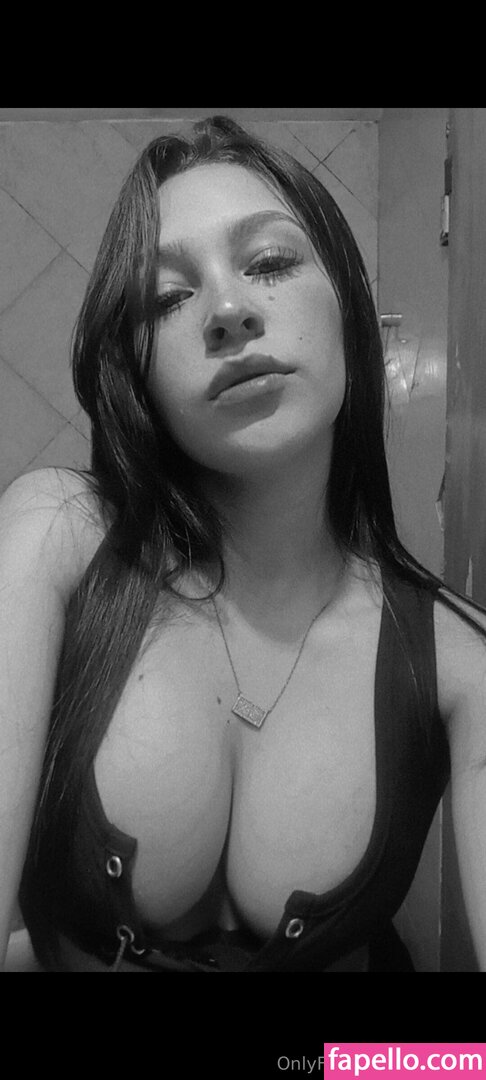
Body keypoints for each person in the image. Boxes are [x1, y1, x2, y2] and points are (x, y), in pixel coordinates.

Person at [2, 115, 486, 973]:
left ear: (348, 309)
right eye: (167, 298)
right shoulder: (59, 537)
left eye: (269, 262)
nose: (227, 311)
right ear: (139, 372)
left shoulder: (454, 661)